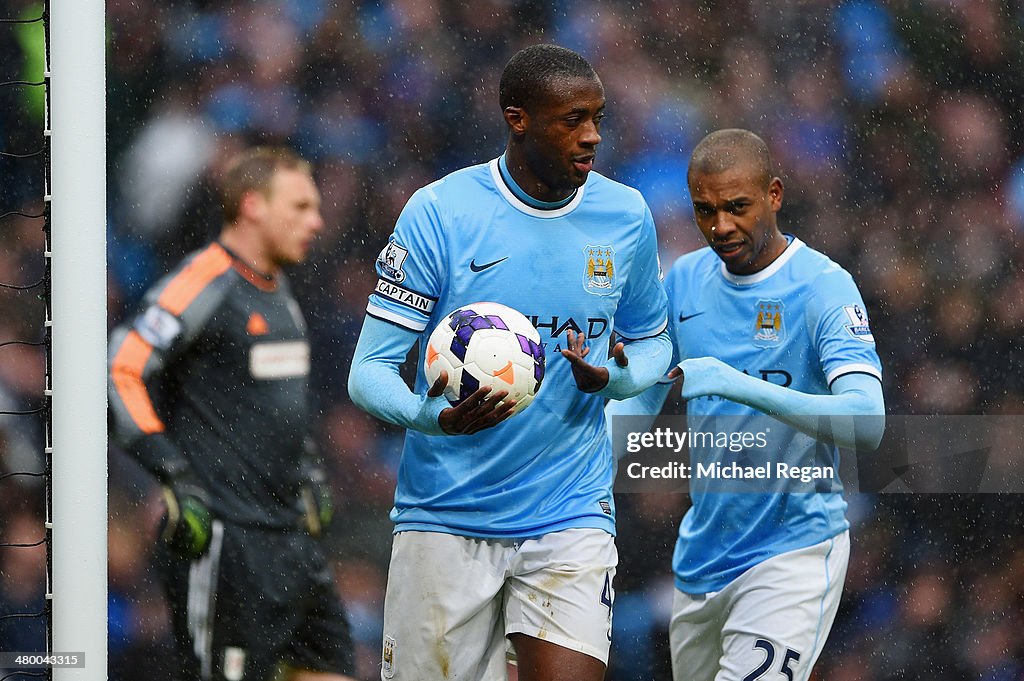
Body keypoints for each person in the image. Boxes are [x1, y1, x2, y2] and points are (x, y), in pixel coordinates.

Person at [347, 44, 672, 681]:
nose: (592, 137)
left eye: (598, 119)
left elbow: (656, 343)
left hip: (570, 513)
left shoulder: (626, 215)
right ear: (517, 119)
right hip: (446, 515)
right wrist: (433, 418)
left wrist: (619, 381)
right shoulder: (440, 213)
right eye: (572, 120)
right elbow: (368, 372)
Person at [606, 129, 885, 681]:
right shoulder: (683, 279)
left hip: (793, 553)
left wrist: (738, 384)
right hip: (702, 558)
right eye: (706, 210)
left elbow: (867, 420)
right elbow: (639, 404)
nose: (721, 226)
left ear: (774, 195)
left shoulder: (824, 288)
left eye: (737, 207)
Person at [108, 147, 357, 681]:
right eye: (300, 206)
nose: (316, 221)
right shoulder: (204, 280)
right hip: (226, 543)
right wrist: (171, 473)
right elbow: (120, 367)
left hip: (291, 540)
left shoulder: (280, 288)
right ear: (252, 206)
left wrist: (310, 467)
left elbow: (278, 405)